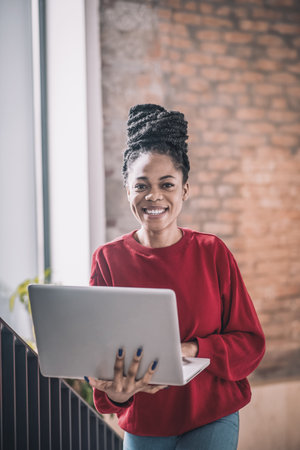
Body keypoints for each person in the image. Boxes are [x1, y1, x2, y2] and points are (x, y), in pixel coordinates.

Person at [87, 104, 265, 450]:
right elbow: (101, 355)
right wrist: (119, 394)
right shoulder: (108, 259)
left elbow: (250, 343)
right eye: (141, 185)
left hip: (212, 413)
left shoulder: (212, 253)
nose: (154, 196)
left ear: (184, 190)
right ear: (128, 191)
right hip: (146, 420)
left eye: (167, 184)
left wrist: (192, 348)